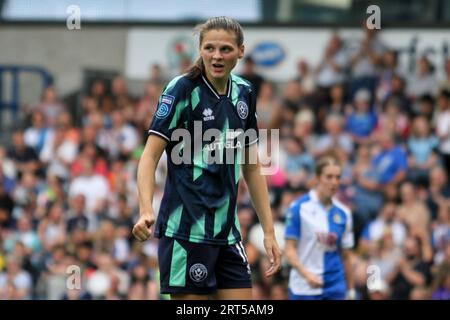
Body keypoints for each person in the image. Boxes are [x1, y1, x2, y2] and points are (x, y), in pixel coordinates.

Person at [132, 16, 281, 300]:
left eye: (225, 49)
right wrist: (145, 209)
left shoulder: (245, 93)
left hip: (227, 233)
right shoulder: (181, 89)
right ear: (200, 49)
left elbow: (251, 167)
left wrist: (269, 232)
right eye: (209, 48)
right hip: (185, 233)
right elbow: (149, 156)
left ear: (240, 51)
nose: (217, 56)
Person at [284, 156, 355, 300]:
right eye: (329, 177)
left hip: (335, 286)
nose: (334, 182)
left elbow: (347, 256)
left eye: (337, 177)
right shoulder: (299, 208)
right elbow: (289, 249)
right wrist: (306, 274)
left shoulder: (344, 213)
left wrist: (351, 290)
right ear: (317, 178)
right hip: (304, 286)